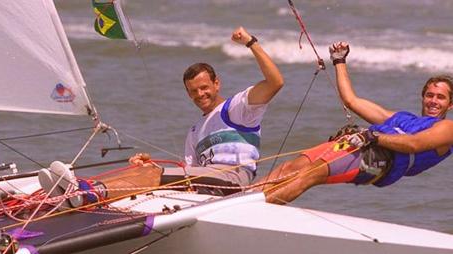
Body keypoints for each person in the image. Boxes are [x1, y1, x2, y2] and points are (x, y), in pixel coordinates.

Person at [262, 41, 453, 204]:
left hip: (381, 161)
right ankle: (241, 198)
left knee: (312, 173)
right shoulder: (402, 118)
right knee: (290, 167)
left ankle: (258, 209)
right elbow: (351, 101)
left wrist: (371, 136)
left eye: (440, 97)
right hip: (358, 145)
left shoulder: (447, 128)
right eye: (429, 95)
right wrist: (339, 61)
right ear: (422, 97)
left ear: (450, 104)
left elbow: (414, 144)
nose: (433, 101)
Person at [130, 26, 284, 195]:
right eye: (194, 91)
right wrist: (153, 167)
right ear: (188, 94)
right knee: (144, 174)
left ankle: (97, 194)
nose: (200, 94)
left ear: (216, 84)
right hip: (207, 183)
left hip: (232, 178)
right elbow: (189, 173)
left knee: (148, 176)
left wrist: (250, 42)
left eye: (204, 87)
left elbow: (275, 82)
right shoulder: (194, 132)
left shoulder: (236, 108)